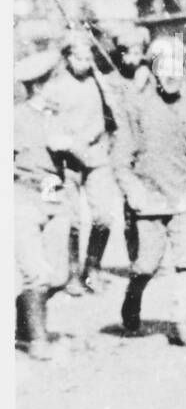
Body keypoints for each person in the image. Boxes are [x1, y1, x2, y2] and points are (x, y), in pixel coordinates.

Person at [111, 36, 186, 347]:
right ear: (154, 71)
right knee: (146, 265)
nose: (172, 74)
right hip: (149, 201)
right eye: (165, 68)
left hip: (184, 201)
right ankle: (132, 299)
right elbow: (121, 161)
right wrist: (133, 191)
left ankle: (184, 324)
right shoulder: (137, 108)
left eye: (178, 68)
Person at [14, 49, 79, 360]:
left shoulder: (59, 117)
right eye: (54, 81)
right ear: (39, 86)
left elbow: (81, 154)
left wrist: (70, 146)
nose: (59, 87)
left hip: (54, 195)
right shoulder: (14, 118)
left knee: (59, 276)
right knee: (36, 273)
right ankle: (36, 339)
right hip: (23, 198)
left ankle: (23, 317)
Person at [47, 31, 120, 295]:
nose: (85, 63)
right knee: (72, 221)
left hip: (97, 155)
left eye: (88, 58)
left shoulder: (98, 82)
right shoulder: (55, 86)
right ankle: (72, 274)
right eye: (79, 58)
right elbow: (50, 126)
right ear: (67, 58)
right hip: (67, 162)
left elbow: (113, 110)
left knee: (103, 216)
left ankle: (94, 268)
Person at [101, 24, 153, 264]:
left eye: (137, 53)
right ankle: (136, 258)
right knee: (131, 205)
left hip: (149, 147)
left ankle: (154, 256)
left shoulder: (149, 78)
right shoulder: (110, 82)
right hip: (123, 146)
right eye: (127, 53)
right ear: (119, 54)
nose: (133, 59)